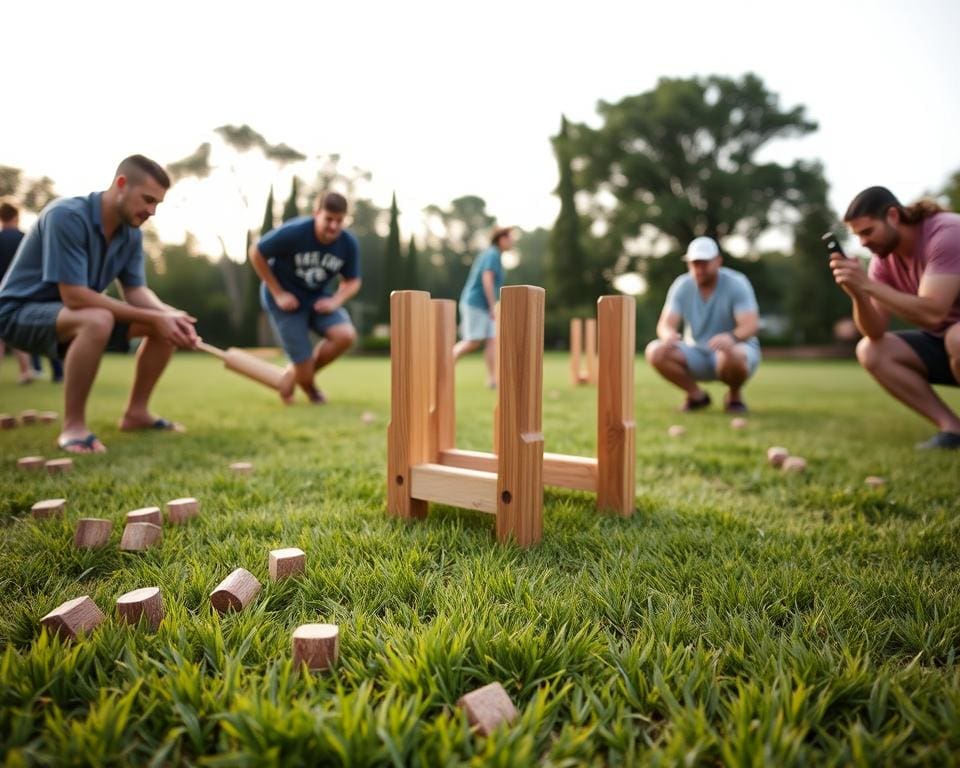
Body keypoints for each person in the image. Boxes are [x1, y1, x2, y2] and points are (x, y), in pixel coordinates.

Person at [0, 155, 198, 454]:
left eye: (157, 203)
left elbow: (136, 290)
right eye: (147, 199)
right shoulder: (66, 216)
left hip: (73, 317)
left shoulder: (131, 233)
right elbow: (75, 296)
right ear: (121, 184)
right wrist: (156, 316)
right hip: (18, 315)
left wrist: (169, 315)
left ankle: (137, 413)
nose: (151, 211)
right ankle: (74, 428)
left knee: (163, 325)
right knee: (98, 319)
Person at [831, 186, 960, 450]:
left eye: (868, 232)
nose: (863, 243)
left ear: (893, 216)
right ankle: (954, 430)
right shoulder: (884, 260)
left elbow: (933, 312)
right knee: (872, 351)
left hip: (954, 338)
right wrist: (858, 293)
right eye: (858, 236)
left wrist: (868, 285)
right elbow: (875, 331)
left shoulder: (946, 233)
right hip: (946, 341)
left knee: (957, 338)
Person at [249, 191, 361, 404]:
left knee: (346, 336)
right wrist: (279, 293)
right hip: (285, 302)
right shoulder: (295, 232)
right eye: (329, 219)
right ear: (316, 213)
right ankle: (311, 390)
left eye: (339, 221)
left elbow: (353, 281)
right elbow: (256, 252)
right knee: (305, 369)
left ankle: (293, 375)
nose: (334, 226)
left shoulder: (347, 243)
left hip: (317, 299)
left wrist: (335, 301)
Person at [645, 236, 761, 412]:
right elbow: (665, 325)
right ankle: (697, 396)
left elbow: (751, 325)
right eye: (694, 263)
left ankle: (734, 396)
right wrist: (668, 335)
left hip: (735, 352)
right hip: (696, 353)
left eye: (704, 263)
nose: (699, 268)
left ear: (718, 261)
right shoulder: (682, 285)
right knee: (655, 351)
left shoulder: (737, 283)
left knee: (731, 354)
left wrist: (732, 337)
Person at [453, 225, 512, 388]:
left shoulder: (496, 256)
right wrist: (493, 305)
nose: (512, 241)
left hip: (485, 306)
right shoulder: (492, 254)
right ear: (500, 239)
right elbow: (487, 279)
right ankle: (445, 364)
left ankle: (492, 379)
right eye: (509, 238)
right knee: (473, 341)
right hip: (476, 303)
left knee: (492, 340)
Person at [0, 200, 36, 384]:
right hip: (21, 290)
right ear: (16, 216)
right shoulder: (24, 238)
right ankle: (25, 371)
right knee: (17, 333)